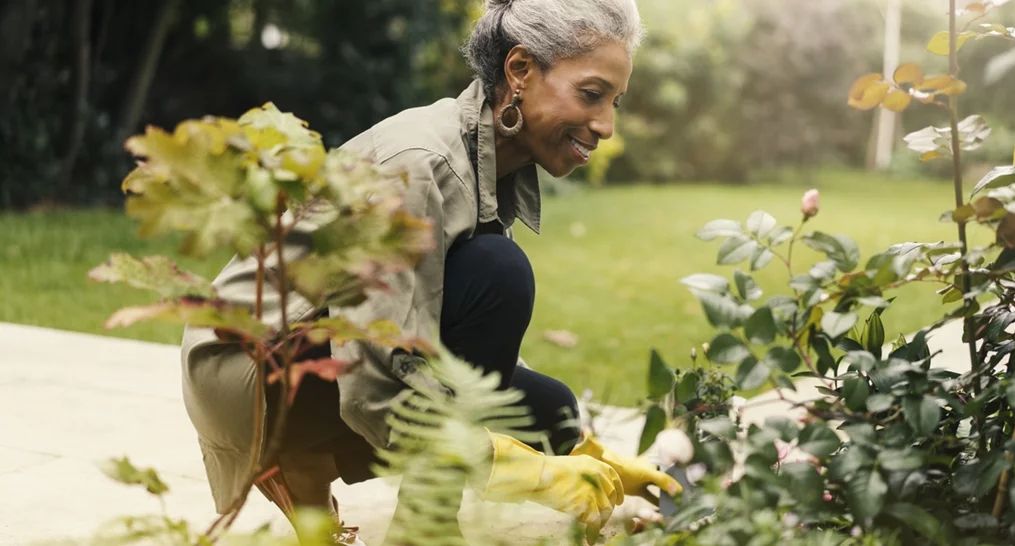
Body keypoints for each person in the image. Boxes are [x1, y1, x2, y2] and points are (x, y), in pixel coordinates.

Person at [179, 0, 680, 543]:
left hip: (311, 353)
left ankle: (308, 465)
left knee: (546, 408)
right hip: (249, 369)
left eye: (614, 101)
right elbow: (371, 382)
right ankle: (416, 524)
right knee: (499, 272)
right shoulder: (420, 164)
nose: (606, 124)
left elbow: (461, 336)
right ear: (519, 70)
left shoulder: (487, 156)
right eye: (591, 94)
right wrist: (523, 471)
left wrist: (587, 454)